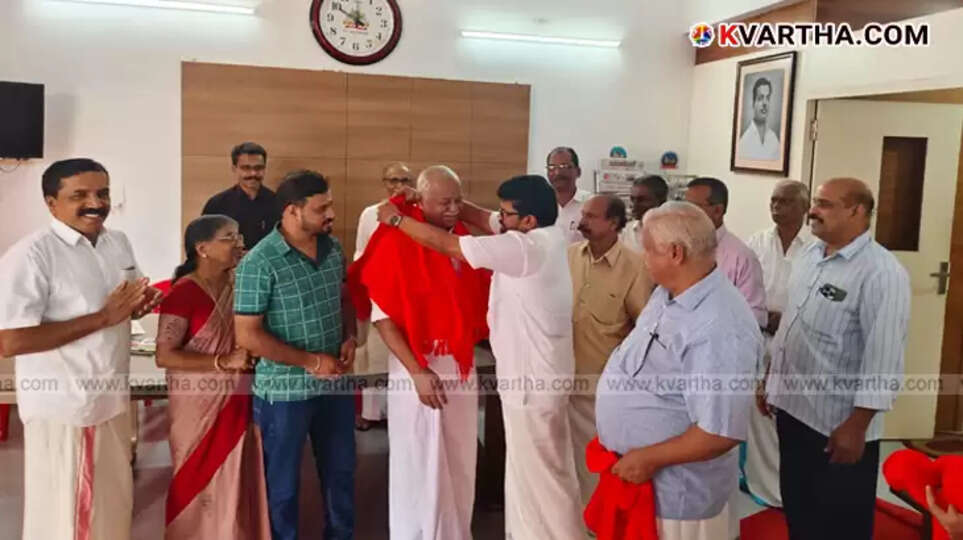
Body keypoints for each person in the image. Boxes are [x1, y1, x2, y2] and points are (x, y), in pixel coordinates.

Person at [376, 175, 585, 539]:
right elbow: (482, 217)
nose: (497, 219)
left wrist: (396, 218)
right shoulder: (541, 233)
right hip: (526, 380)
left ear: (527, 221)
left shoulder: (525, 247)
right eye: (446, 203)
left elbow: (453, 246)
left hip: (530, 385)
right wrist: (435, 198)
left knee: (543, 478)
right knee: (525, 476)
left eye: (505, 214)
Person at [0, 158, 162, 540]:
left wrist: (139, 302)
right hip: (69, 408)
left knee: (110, 509)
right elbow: (11, 340)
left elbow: (127, 297)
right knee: (72, 517)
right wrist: (102, 318)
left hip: (111, 400)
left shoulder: (115, 241)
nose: (96, 203)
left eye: (102, 193)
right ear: (51, 202)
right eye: (80, 195)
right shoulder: (32, 255)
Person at [595, 201, 763, 540]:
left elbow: (719, 432)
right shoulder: (669, 292)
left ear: (675, 253)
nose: (643, 259)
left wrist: (647, 458)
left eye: (648, 251)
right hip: (642, 485)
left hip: (678, 499)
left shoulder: (719, 327)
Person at [763, 178, 910, 540]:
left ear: (857, 211)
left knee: (840, 523)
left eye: (825, 204)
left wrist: (857, 425)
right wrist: (769, 378)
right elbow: (791, 326)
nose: (813, 210)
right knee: (799, 509)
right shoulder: (810, 256)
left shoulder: (882, 273)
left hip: (838, 428)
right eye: (815, 201)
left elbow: (885, 356)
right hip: (794, 411)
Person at [354, 166, 489, 539]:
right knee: (420, 460)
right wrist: (417, 371)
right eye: (443, 201)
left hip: (460, 365)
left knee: (460, 457)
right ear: (421, 199)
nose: (452, 208)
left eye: (457, 200)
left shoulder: (462, 238)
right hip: (417, 366)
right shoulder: (396, 241)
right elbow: (383, 318)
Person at [234, 170, 357, 540]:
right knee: (282, 486)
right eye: (322, 209)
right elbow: (248, 335)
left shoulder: (332, 248)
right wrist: (311, 362)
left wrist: (350, 335)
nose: (330, 215)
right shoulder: (260, 262)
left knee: (341, 474)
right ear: (292, 211)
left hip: (334, 385)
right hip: (285, 393)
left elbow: (343, 296)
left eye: (330, 205)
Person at [155, 215, 270, 539]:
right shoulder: (183, 293)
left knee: (237, 472)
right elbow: (164, 355)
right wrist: (222, 361)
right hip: (198, 403)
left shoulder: (240, 283)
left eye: (239, 235)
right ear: (202, 248)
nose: (239, 243)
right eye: (229, 237)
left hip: (239, 396)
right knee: (199, 475)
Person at [568, 194, 653, 505]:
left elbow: (644, 330)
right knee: (562, 458)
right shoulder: (569, 256)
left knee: (595, 461)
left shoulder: (635, 267)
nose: (582, 221)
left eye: (592, 216)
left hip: (600, 384)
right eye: (583, 214)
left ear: (614, 223)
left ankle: (595, 524)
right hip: (560, 376)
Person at [742, 180, 812, 506]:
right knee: (758, 414)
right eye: (773, 201)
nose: (776, 207)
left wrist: (783, 319)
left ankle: (788, 487)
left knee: (784, 415)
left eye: (784, 202)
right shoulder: (757, 242)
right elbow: (741, 288)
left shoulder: (814, 246)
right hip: (759, 337)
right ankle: (762, 485)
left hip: (798, 341)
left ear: (804, 207)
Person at [353, 161, 413, 430]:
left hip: (409, 292)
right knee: (375, 354)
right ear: (384, 183)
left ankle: (398, 413)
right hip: (378, 288)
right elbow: (360, 252)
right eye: (393, 181)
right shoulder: (370, 213)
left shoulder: (417, 212)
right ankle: (370, 413)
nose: (399, 186)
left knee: (404, 354)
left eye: (405, 180)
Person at [685, 177, 767, 328]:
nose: (684, 214)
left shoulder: (741, 257)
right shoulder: (679, 248)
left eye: (693, 207)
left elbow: (755, 317)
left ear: (717, 211)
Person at [202, 142, 280, 250]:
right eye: (246, 168)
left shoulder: (279, 203)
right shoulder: (217, 204)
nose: (253, 173)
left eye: (258, 168)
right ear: (234, 169)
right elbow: (206, 243)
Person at [547, 146, 593, 243]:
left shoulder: (592, 203)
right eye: (551, 167)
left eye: (564, 167)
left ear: (578, 171)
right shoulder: (539, 203)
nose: (557, 172)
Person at [621, 175, 669, 253]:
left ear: (661, 201)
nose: (634, 205)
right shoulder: (625, 232)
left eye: (642, 200)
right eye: (632, 199)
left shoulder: (676, 233)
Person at [737, 77, 780, 161]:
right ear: (753, 103)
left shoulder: (774, 139)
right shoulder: (744, 141)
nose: (764, 103)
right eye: (760, 98)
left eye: (767, 98)